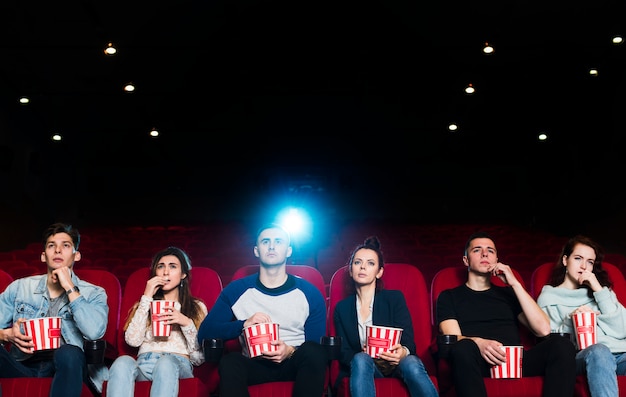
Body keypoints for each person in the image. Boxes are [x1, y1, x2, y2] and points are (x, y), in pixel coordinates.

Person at [436, 231, 577, 397]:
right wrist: (479, 343)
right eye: (477, 250)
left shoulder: (509, 294)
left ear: (496, 260)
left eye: (490, 250)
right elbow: (452, 338)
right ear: (466, 260)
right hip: (477, 361)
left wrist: (515, 284)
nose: (484, 253)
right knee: (463, 348)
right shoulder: (449, 296)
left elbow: (543, 329)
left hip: (514, 361)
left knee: (561, 345)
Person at [197, 223, 328, 397]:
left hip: (293, 364)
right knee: (230, 361)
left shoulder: (309, 293)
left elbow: (316, 347)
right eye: (266, 241)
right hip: (253, 364)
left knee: (314, 351)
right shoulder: (236, 290)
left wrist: (290, 351)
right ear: (256, 251)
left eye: (278, 241)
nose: (272, 246)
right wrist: (243, 324)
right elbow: (204, 333)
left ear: (289, 251)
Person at [0, 222, 109, 397]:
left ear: (77, 255)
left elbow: (94, 332)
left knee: (69, 352)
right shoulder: (20, 287)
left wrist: (69, 287)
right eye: (52, 246)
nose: (58, 250)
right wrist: (6, 335)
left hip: (68, 366)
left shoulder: (94, 293)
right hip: (23, 364)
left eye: (65, 246)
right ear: (44, 256)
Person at [333, 236, 438, 397]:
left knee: (410, 361)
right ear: (350, 269)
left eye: (370, 263)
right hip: (366, 367)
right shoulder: (342, 308)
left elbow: (409, 341)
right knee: (361, 359)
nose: (362, 267)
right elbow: (343, 352)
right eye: (357, 262)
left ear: (379, 272)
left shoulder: (394, 298)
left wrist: (402, 352)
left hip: (397, 366)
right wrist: (363, 352)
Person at [106, 246, 208, 397]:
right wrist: (146, 296)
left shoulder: (196, 307)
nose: (165, 272)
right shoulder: (144, 304)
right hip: (144, 363)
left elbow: (199, 359)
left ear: (183, 275)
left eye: (172, 267)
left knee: (166, 363)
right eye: (161, 267)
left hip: (178, 364)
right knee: (122, 362)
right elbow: (132, 341)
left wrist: (186, 323)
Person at [536, 235, 626, 397]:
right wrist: (572, 321)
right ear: (565, 260)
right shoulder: (549, 297)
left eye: (590, 262)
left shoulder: (603, 293)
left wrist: (598, 289)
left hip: (620, 355)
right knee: (600, 351)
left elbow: (622, 330)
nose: (584, 266)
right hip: (582, 356)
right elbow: (553, 345)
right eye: (578, 258)